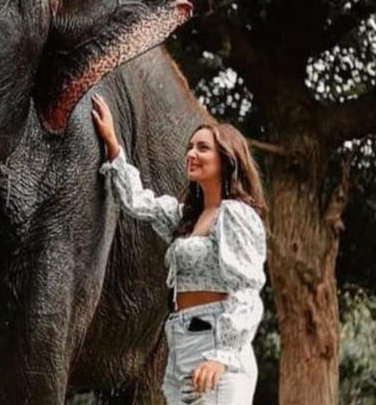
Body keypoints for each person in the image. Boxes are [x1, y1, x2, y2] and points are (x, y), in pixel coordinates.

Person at [91, 93, 267, 405]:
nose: (191, 153)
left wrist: (221, 356)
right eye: (190, 147)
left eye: (203, 147)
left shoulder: (234, 215)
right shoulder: (185, 216)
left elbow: (246, 290)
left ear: (227, 159)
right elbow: (137, 202)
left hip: (217, 350)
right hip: (182, 343)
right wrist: (113, 144)